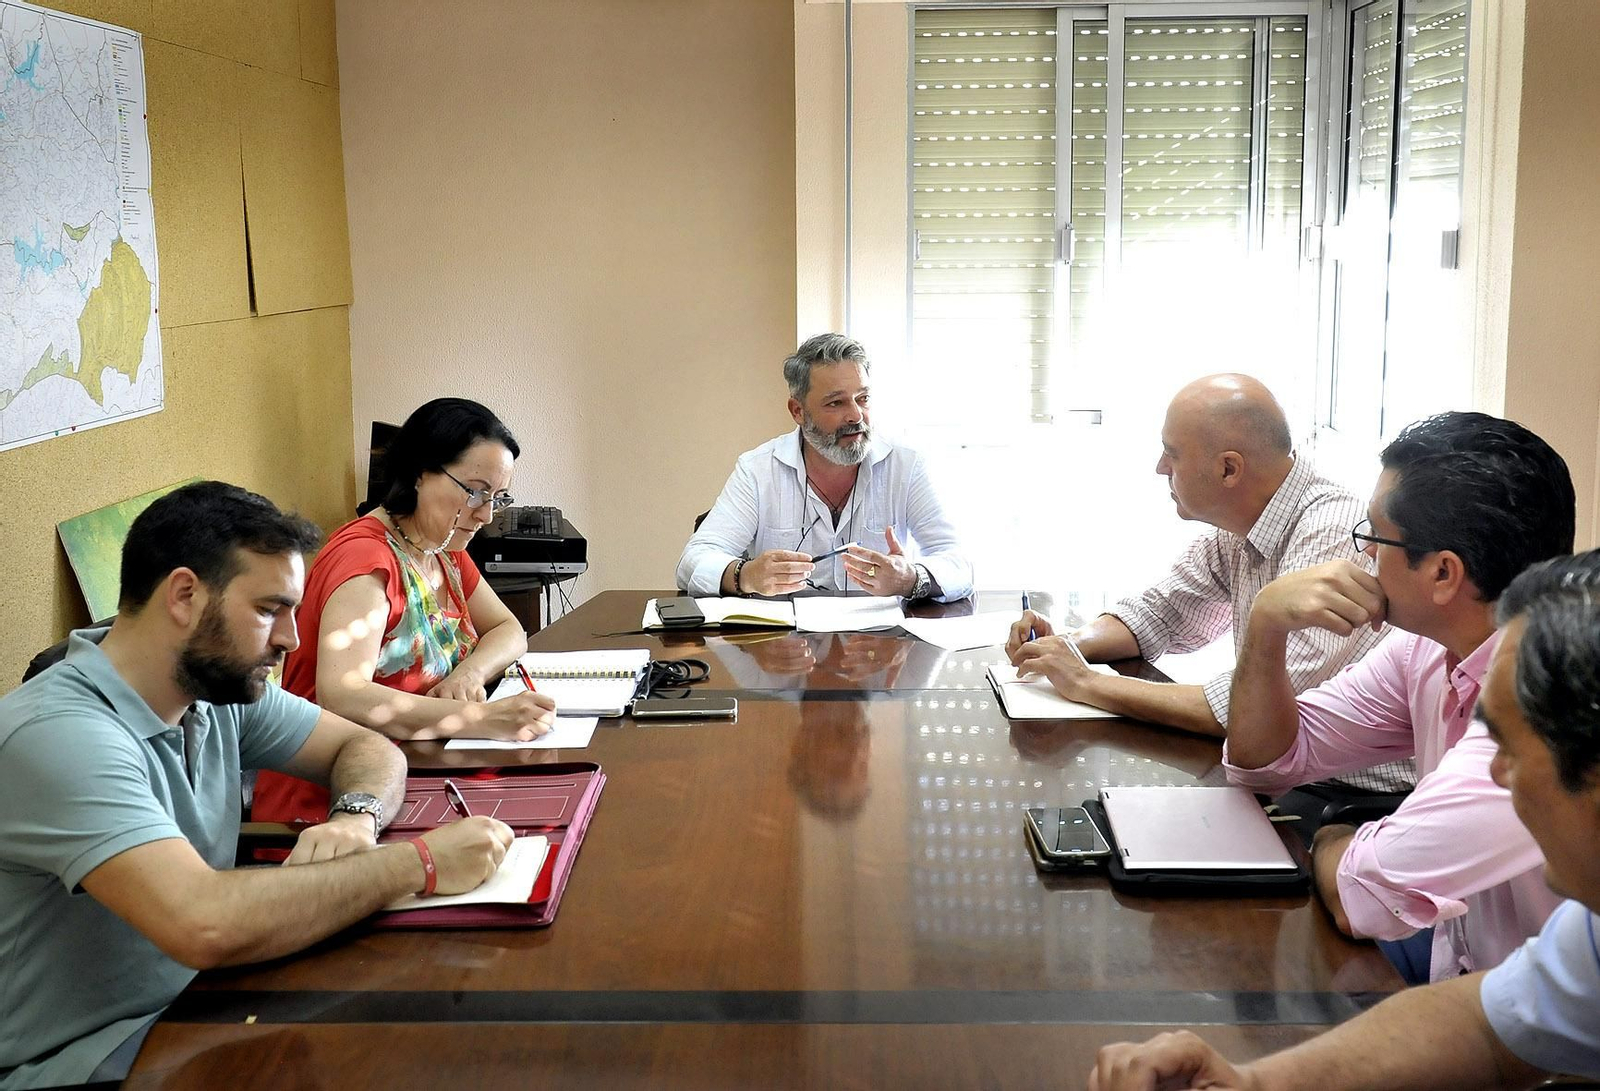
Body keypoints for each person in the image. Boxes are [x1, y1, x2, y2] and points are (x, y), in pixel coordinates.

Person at [0, 482, 512, 1089]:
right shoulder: (60, 736)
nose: (291, 639)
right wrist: (420, 863)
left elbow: (365, 746)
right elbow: (203, 923)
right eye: (270, 610)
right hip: (84, 1058)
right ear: (184, 595)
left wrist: (355, 816)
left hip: (206, 1002)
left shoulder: (213, 693)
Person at [1088, 549, 1600, 1089]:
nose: (1497, 775)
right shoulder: (1589, 930)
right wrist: (1251, 1082)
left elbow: (1366, 890)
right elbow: (1484, 1025)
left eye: (1511, 749)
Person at [1223, 412, 1574, 983]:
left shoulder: (1545, 713)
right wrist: (1266, 626)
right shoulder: (1426, 649)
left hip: (1543, 1045)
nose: (1361, 557)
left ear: (1442, 574)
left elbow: (1360, 896)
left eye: (1373, 537)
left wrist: (1335, 834)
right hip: (1460, 972)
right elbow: (1264, 760)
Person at [1005, 375, 1410, 795]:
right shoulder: (1244, 523)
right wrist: (1067, 646)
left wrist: (1087, 683)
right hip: (1287, 777)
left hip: (1352, 799)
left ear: (1228, 468)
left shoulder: (1332, 532)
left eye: (1172, 454)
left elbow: (1253, 711)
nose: (1160, 468)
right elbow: (1161, 612)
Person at [252, 398, 556, 826]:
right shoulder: (366, 560)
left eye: (497, 497)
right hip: (336, 805)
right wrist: (480, 717)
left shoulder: (439, 548)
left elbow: (509, 629)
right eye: (474, 491)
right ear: (419, 472)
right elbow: (343, 694)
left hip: (417, 775)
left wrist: (468, 674)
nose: (486, 514)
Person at [676, 333, 973, 602]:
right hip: (783, 652)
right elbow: (693, 562)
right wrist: (746, 575)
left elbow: (959, 564)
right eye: (836, 403)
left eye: (863, 399)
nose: (856, 415)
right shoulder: (758, 470)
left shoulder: (905, 466)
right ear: (798, 411)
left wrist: (910, 578)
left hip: (879, 649)